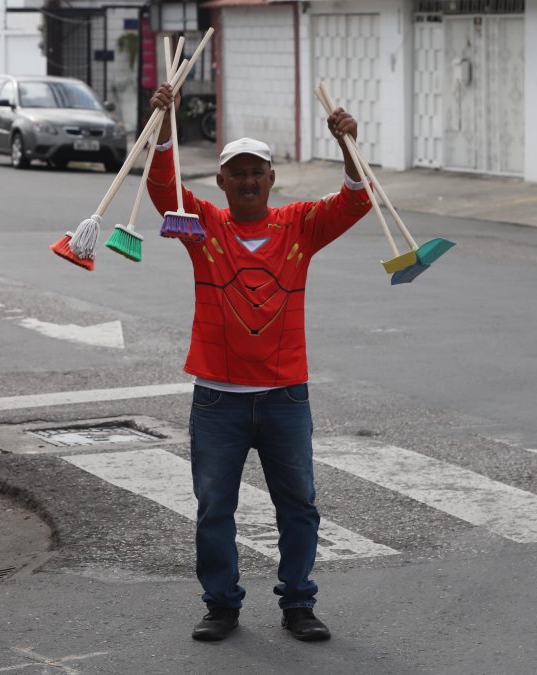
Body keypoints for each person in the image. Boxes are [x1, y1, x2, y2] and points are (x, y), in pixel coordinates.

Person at [146, 82, 371, 642]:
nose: (247, 181)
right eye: (237, 173)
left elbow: (356, 199)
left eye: (257, 172)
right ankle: (221, 604)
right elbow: (159, 184)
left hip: (284, 396)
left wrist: (348, 144)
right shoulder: (202, 226)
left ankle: (298, 603)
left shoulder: (298, 224)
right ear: (220, 182)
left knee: (298, 507)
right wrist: (166, 122)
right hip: (218, 398)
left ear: (272, 179)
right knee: (214, 509)